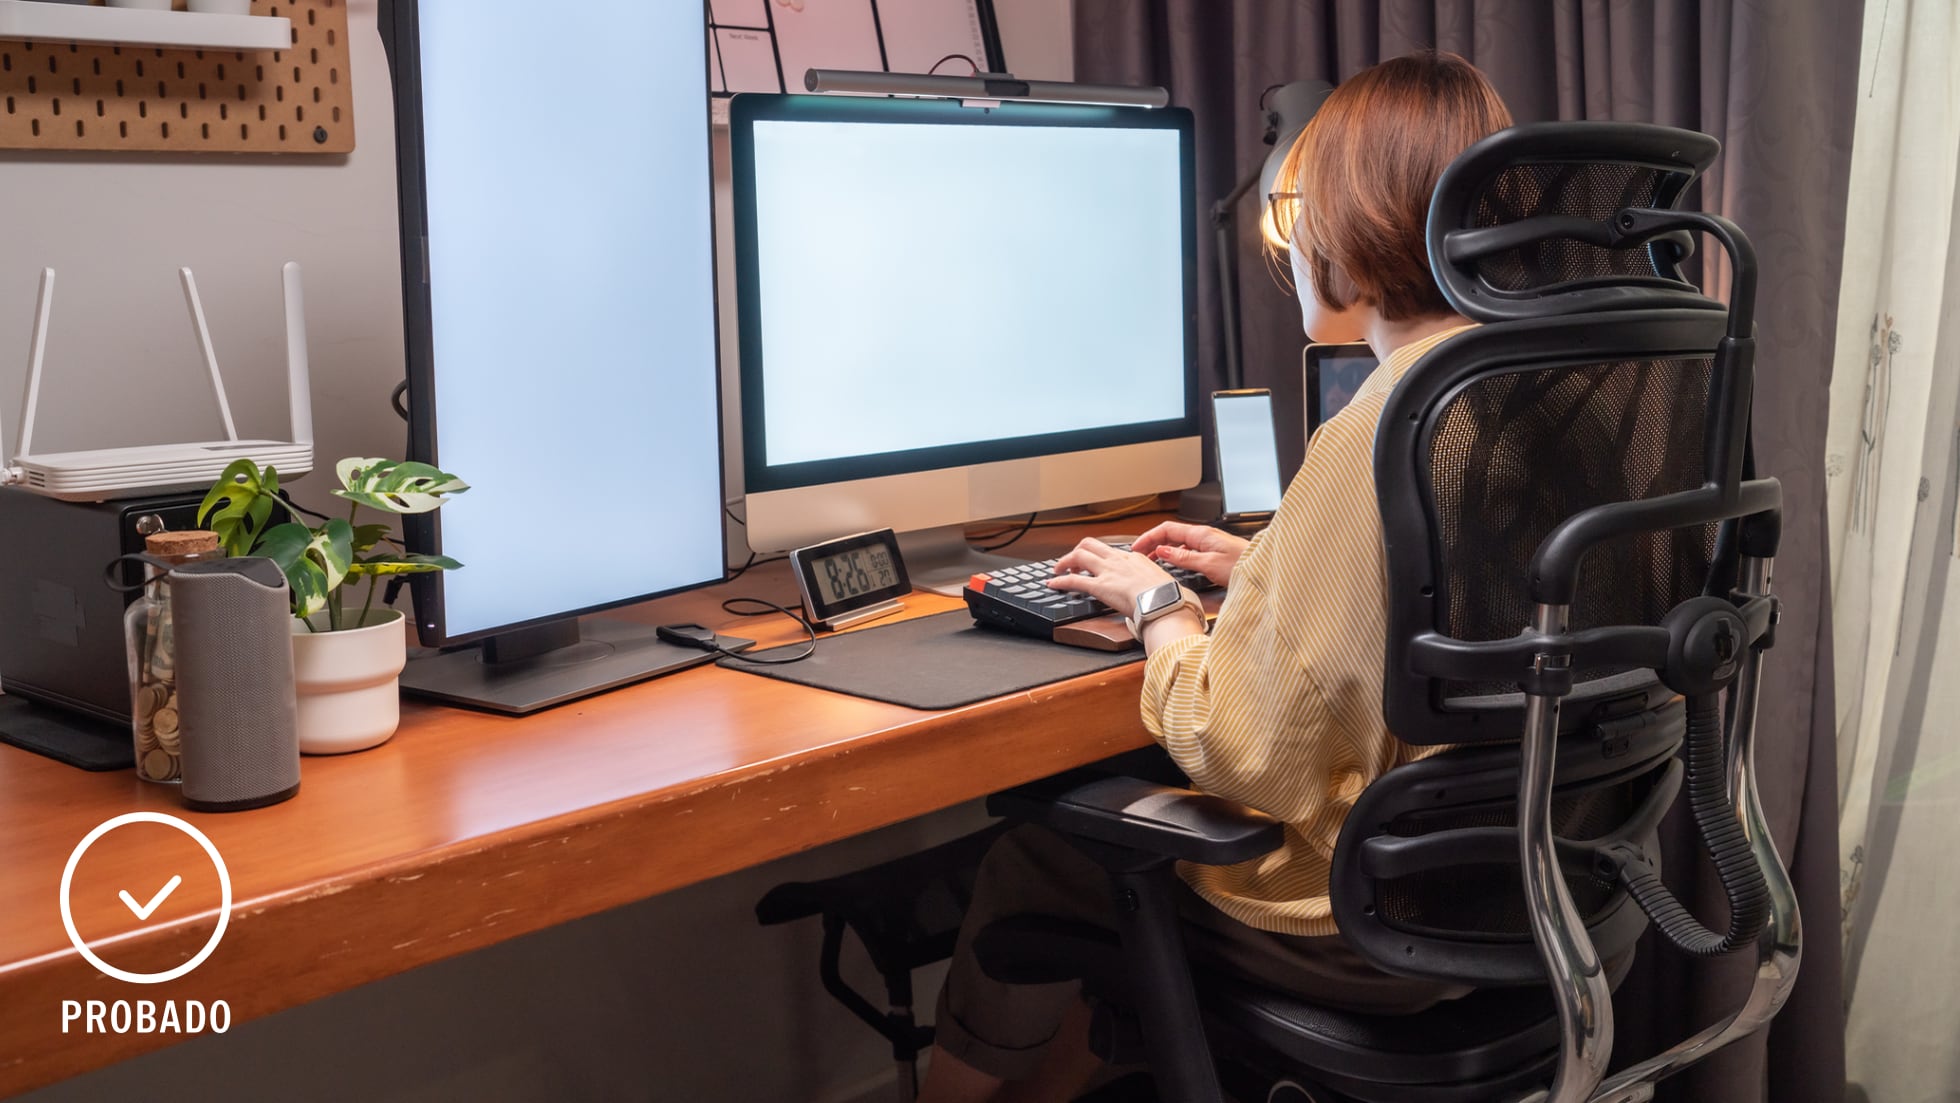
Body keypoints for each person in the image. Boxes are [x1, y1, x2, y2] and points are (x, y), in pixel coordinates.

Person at [916, 51, 1515, 1103]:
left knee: (1033, 855)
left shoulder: (1374, 428)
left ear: (1348, 232)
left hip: (1360, 924)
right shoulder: (1502, 395)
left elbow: (1259, 756)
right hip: (1510, 897)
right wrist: (1267, 567)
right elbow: (1446, 597)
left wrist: (1155, 611)